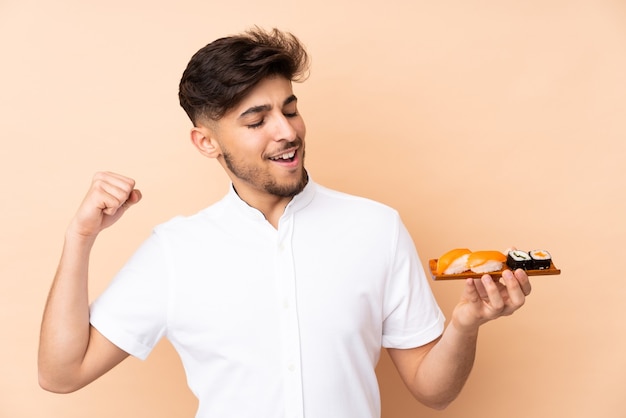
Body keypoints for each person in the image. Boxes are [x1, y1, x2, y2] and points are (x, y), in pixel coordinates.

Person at [38, 27, 532, 418]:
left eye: (290, 109)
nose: (286, 131)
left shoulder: (376, 228)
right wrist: (79, 237)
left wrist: (465, 325)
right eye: (257, 121)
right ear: (206, 142)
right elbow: (62, 374)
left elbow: (433, 391)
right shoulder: (175, 250)